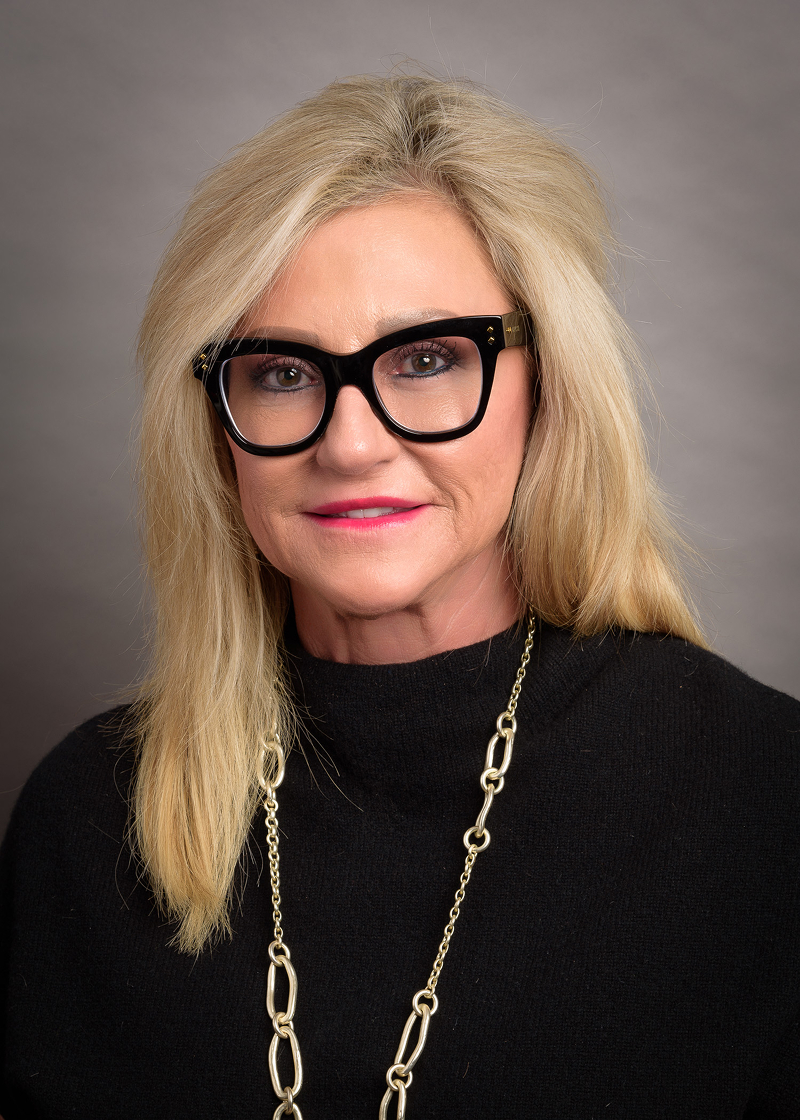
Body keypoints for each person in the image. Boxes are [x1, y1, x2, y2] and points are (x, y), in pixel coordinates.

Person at [1, 72, 799, 1120]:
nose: (350, 444)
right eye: (282, 372)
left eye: (425, 359)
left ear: (549, 386)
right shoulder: (82, 822)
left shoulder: (764, 800)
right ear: (212, 422)